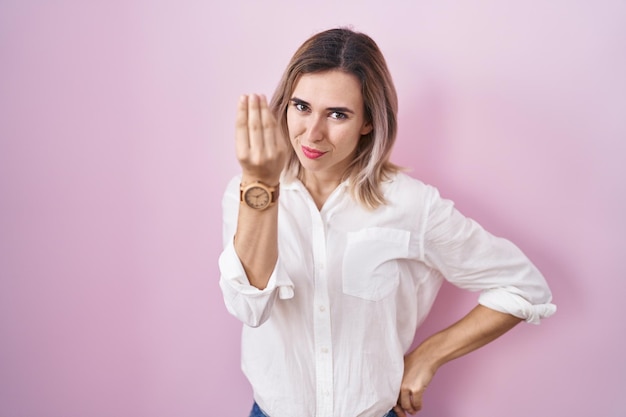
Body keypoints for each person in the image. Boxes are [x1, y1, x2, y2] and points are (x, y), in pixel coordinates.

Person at [218, 27, 555, 417]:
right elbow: (249, 307)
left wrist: (429, 354)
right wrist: (260, 183)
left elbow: (525, 287)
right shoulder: (247, 193)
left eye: (338, 114)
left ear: (368, 122)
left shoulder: (411, 204)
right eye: (302, 106)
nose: (312, 132)